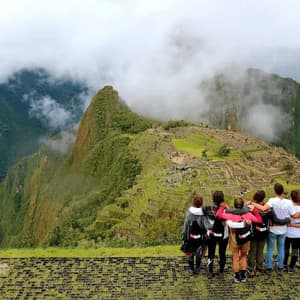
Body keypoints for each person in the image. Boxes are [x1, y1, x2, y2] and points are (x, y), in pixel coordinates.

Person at [216, 198, 262, 283]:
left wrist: (223, 207)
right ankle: (243, 275)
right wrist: (255, 210)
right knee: (244, 256)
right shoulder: (247, 214)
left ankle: (237, 276)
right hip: (245, 238)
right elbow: (259, 220)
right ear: (242, 205)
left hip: (234, 238)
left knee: (235, 257)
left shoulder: (230, 215)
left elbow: (218, 214)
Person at [247, 190, 290, 276]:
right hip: (263, 233)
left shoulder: (250, 208)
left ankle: (251, 268)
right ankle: (260, 267)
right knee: (260, 251)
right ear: (263, 198)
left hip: (253, 233)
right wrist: (286, 220)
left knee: (252, 251)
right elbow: (273, 220)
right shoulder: (268, 209)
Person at [203, 191, 228, 279]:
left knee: (211, 253)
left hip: (211, 234)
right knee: (222, 253)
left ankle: (210, 271)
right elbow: (227, 222)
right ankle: (221, 271)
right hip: (223, 235)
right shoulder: (225, 210)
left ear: (213, 199)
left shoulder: (208, 209)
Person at [182, 195, 207, 275]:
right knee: (199, 251)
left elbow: (186, 225)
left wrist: (184, 235)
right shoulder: (204, 213)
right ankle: (198, 267)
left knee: (191, 252)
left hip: (190, 235)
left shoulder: (189, 213)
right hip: (201, 236)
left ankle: (191, 269)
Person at [284, 190, 300, 273]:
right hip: (297, 234)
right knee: (295, 250)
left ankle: (284, 264)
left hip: (287, 232)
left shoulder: (287, 206)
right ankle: (291, 267)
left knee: (286, 249)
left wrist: (290, 225)